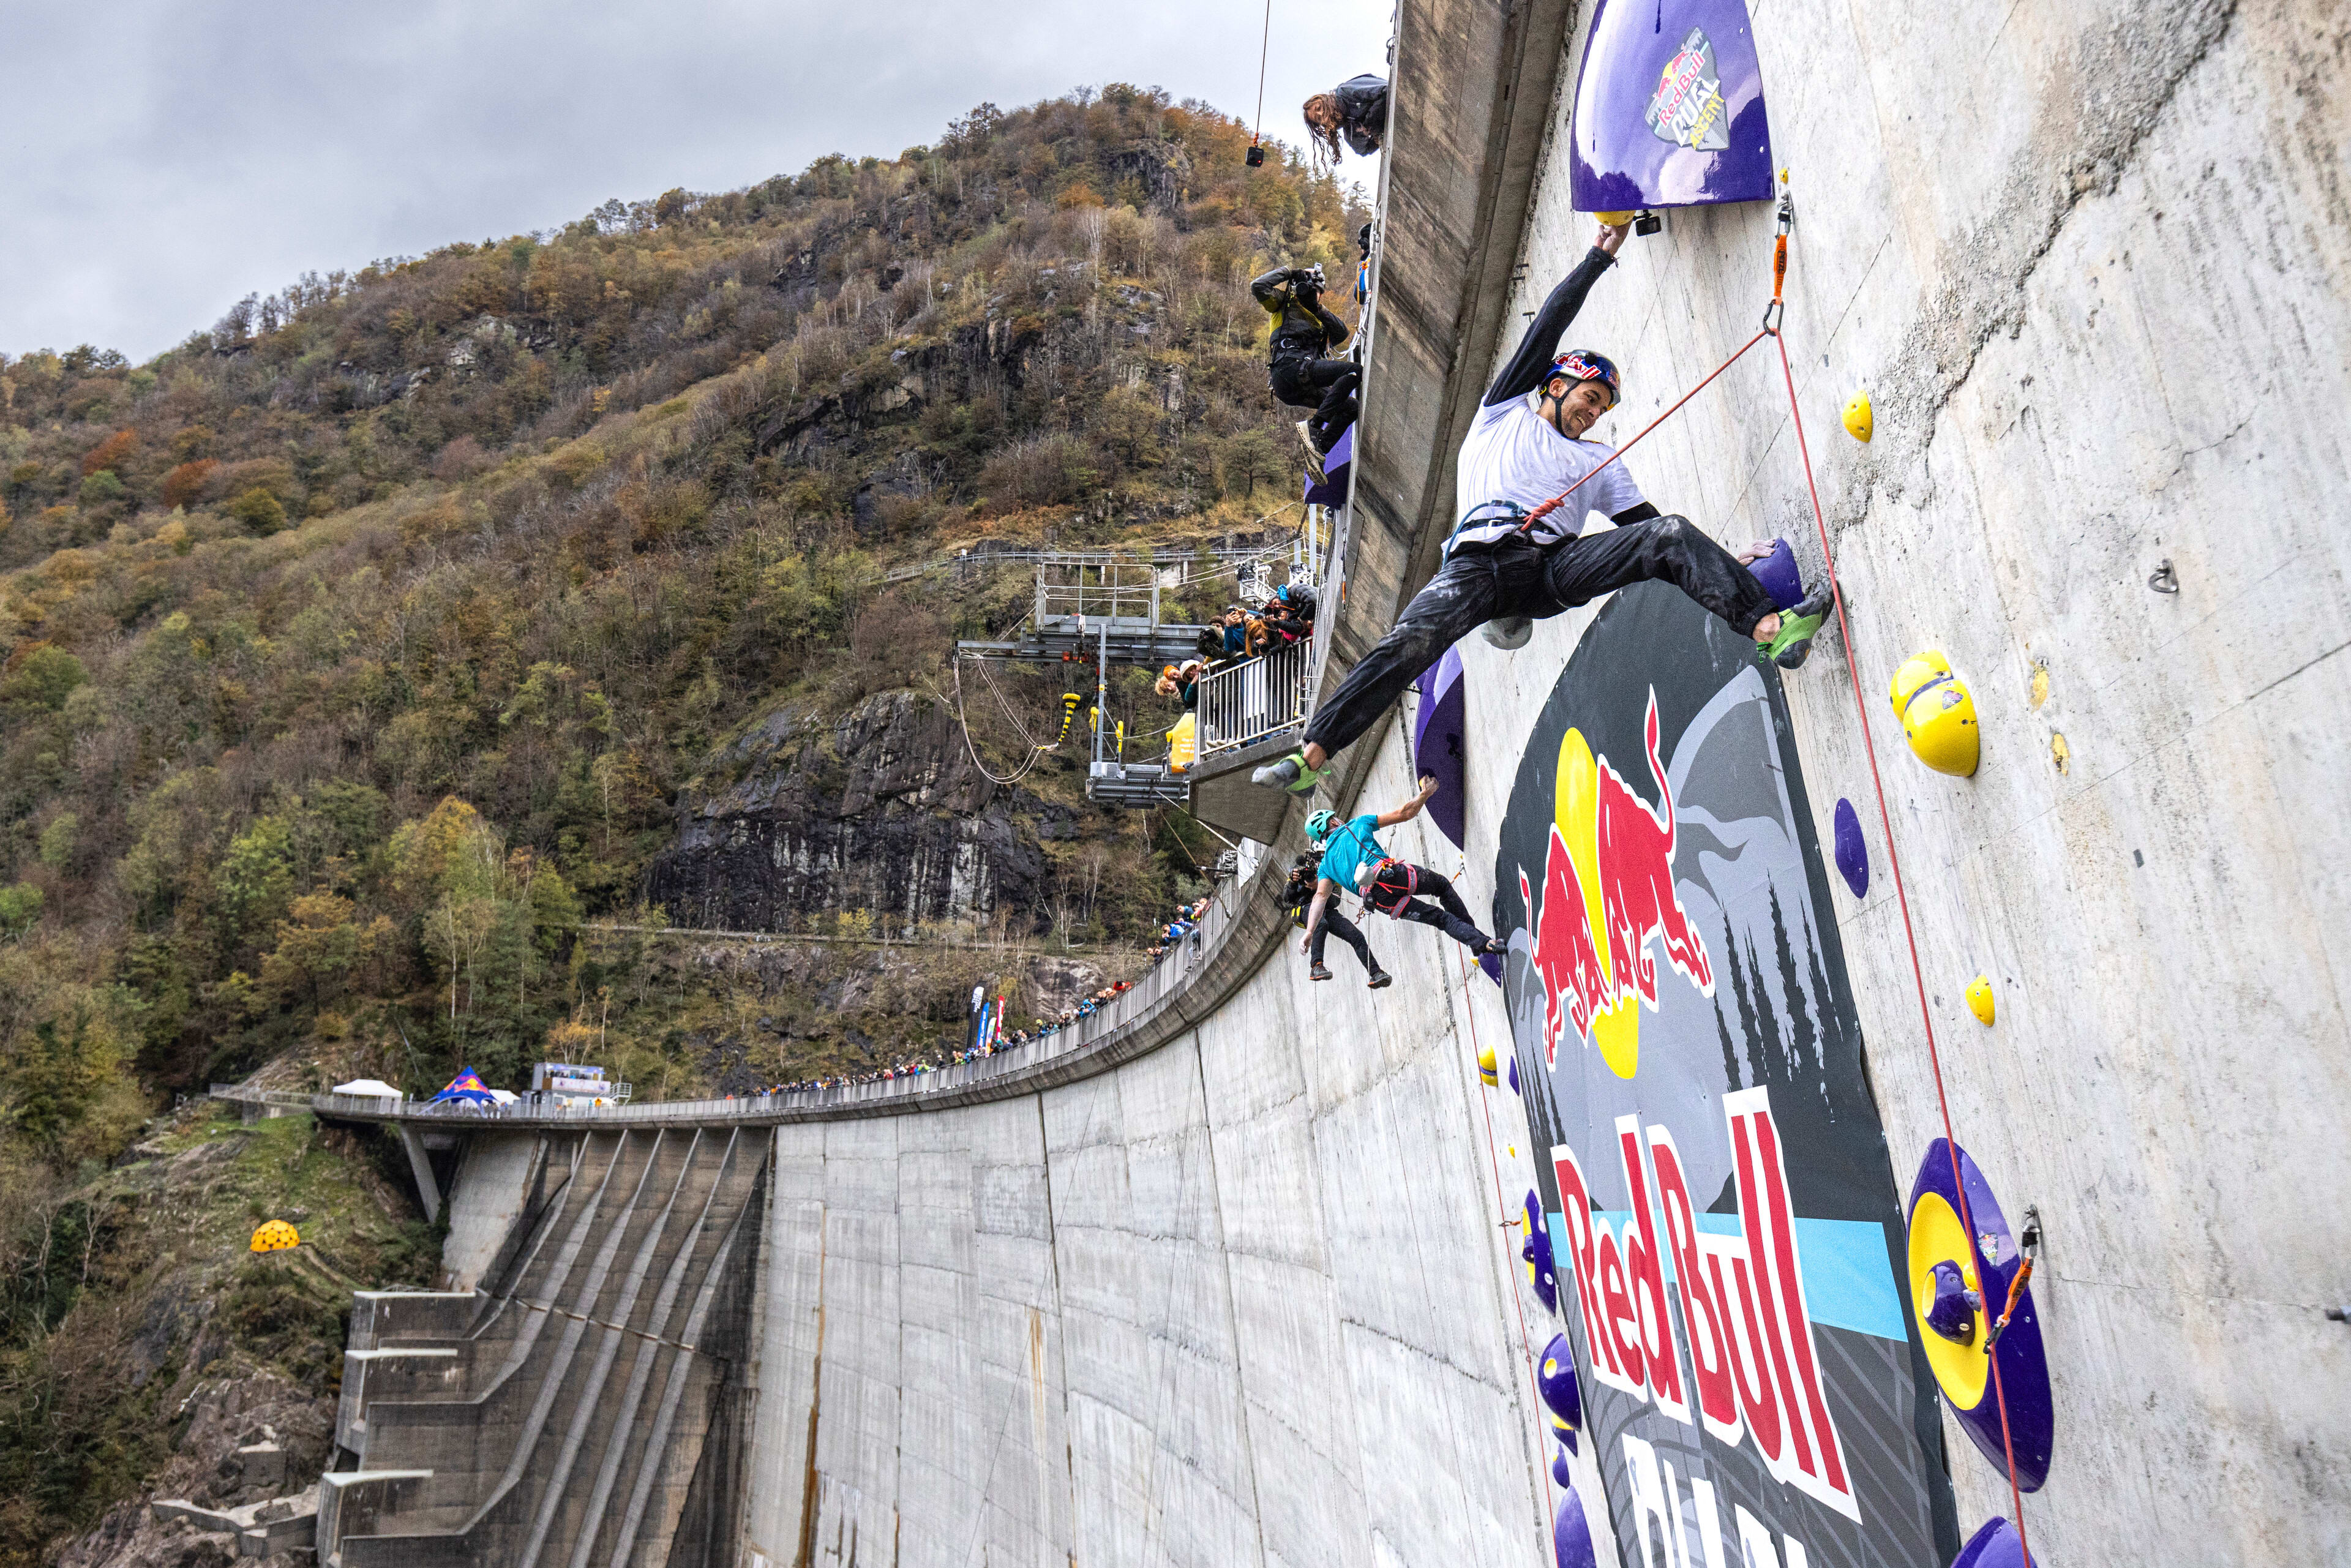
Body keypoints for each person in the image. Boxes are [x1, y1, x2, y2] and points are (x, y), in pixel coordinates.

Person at [1254, 219, 1833, 795]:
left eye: (1603, 408)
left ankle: (1771, 628)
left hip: (1552, 570)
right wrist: (1598, 258)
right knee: (1410, 640)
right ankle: (1312, 754)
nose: (1594, 413)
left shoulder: (1597, 460)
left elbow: (1654, 533)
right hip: (1476, 566)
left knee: (1670, 533)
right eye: (1590, 397)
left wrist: (1724, 560)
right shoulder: (1502, 412)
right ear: (1556, 386)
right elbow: (1548, 326)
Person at [1302, 780, 1504, 965]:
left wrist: (1310, 932)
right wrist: (1425, 794)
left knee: (1439, 919)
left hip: (1380, 900)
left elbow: (1320, 897)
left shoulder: (1326, 865)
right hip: (1391, 875)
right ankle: (1480, 943)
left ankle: (1482, 944)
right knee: (1441, 886)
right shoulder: (1357, 824)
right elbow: (1405, 813)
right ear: (1333, 822)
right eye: (1335, 818)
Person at [1250, 263, 1359, 456]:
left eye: (1314, 290)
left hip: (1300, 383)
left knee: (1350, 408)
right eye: (1307, 286)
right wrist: (1289, 272)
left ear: (1321, 294)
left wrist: (1317, 308)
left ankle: (1319, 450)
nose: (1310, 292)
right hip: (1290, 368)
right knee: (1354, 370)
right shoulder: (1283, 302)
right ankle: (1315, 425)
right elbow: (1258, 286)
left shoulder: (1319, 317)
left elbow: (1341, 333)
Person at [1279, 850, 1391, 987]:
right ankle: (1316, 966)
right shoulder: (1298, 871)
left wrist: (1322, 887)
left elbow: (1335, 902)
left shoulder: (1332, 872)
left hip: (1326, 909)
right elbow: (1287, 899)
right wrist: (1292, 882)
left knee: (1356, 935)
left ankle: (1376, 973)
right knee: (1320, 923)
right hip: (1304, 909)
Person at [1303, 75, 1389, 165]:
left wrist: (1371, 121)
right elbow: (1364, 150)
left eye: (1319, 108)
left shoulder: (1347, 91)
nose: (1321, 114)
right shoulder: (1350, 131)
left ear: (1324, 100)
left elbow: (1386, 89)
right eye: (1319, 118)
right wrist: (1376, 138)